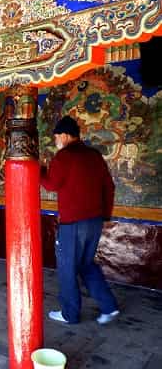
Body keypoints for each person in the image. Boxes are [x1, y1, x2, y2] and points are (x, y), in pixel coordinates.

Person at [41, 115, 119, 325]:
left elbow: (51, 184)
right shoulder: (94, 155)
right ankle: (109, 307)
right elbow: (109, 187)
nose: (56, 140)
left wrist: (39, 171)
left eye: (57, 136)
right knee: (85, 265)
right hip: (94, 221)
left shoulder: (65, 156)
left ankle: (69, 314)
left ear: (65, 136)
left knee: (67, 268)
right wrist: (105, 215)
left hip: (73, 224)